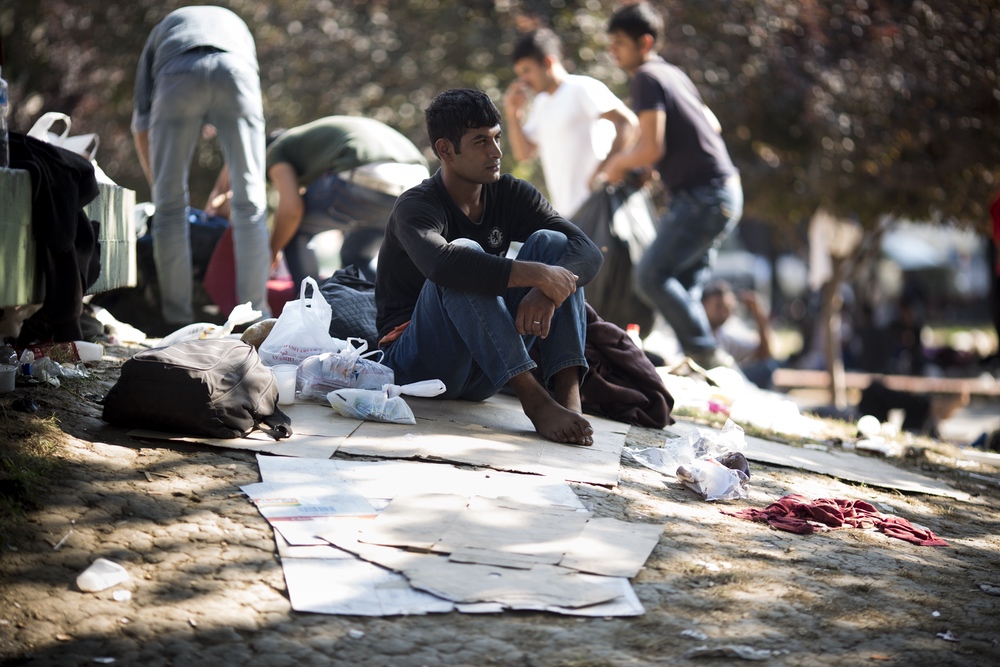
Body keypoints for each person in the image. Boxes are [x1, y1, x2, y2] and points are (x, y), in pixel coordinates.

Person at [375, 89, 604, 446]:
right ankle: (534, 399)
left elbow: (586, 250)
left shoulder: (510, 194)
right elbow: (442, 263)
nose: (496, 152)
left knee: (555, 244)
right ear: (446, 150)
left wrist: (546, 291)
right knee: (463, 253)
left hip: (486, 367)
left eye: (496, 137)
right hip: (421, 367)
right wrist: (539, 276)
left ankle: (569, 396)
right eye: (480, 141)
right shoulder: (416, 207)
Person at [598, 2, 743, 369]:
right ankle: (702, 364)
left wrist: (618, 163)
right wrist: (654, 163)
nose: (612, 50)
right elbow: (711, 125)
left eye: (619, 42)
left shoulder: (647, 77)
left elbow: (652, 144)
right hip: (723, 192)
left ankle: (710, 358)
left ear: (644, 42)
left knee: (650, 276)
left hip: (703, 196)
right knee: (684, 286)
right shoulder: (673, 74)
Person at [132, 6, 271, 328]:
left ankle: (178, 324)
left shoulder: (162, 30)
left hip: (177, 71)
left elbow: (141, 125)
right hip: (237, 71)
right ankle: (255, 321)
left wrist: (161, 188)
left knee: (169, 211)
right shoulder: (237, 24)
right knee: (250, 206)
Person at [207, 117, 430, 286]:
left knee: (293, 231)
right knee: (356, 256)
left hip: (363, 177)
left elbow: (292, 209)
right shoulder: (314, 142)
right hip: (415, 185)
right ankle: (381, 313)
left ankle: (311, 311)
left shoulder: (276, 150)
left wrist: (273, 250)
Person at [502, 28, 637, 217]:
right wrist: (513, 114)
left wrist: (604, 172)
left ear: (548, 62)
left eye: (527, 71)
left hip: (601, 206)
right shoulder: (541, 103)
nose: (523, 80)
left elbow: (627, 123)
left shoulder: (580, 88)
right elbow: (524, 154)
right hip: (570, 215)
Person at [701, 279, 777, 388]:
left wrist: (759, 315)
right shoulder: (696, 333)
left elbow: (764, 354)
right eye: (718, 306)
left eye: (727, 308)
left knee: (767, 368)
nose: (723, 313)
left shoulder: (723, 334)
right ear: (703, 305)